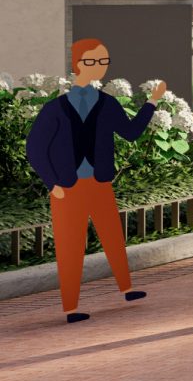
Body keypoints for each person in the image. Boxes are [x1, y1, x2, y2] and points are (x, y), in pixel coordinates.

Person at [24, 39, 162, 323]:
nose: (98, 68)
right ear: (76, 64)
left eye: (103, 62)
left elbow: (131, 132)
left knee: (113, 235)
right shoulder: (56, 108)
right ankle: (71, 307)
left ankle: (127, 288)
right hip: (66, 186)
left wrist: (152, 103)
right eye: (92, 62)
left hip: (100, 182)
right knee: (69, 245)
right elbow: (35, 148)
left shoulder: (107, 104)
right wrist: (52, 183)